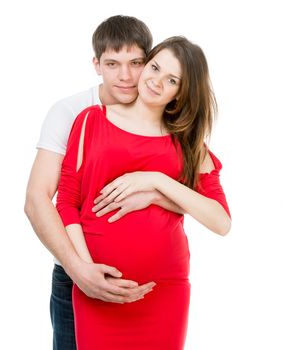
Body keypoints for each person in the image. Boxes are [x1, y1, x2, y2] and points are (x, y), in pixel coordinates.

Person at [56, 36, 231, 349]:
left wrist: (156, 182)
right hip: (98, 289)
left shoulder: (189, 145)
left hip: (164, 291)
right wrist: (88, 273)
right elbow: (67, 203)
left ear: (180, 93)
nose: (157, 81)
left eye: (172, 79)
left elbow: (220, 222)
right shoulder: (90, 121)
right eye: (155, 67)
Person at [24, 15, 185, 350]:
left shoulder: (170, 118)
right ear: (96, 64)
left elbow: (201, 200)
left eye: (136, 63)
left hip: (155, 288)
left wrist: (154, 191)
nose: (125, 76)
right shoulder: (72, 112)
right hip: (76, 278)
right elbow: (38, 199)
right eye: (112, 63)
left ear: (150, 62)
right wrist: (79, 270)